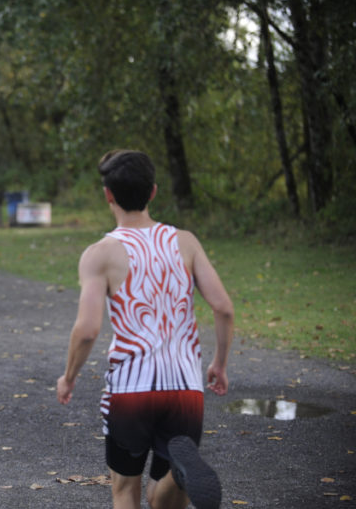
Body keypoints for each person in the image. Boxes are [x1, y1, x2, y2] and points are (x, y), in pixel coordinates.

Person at [56, 150, 234, 509]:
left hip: (131, 390)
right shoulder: (185, 242)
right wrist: (219, 364)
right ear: (153, 192)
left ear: (108, 194)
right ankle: (176, 475)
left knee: (125, 490)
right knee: (164, 499)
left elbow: (88, 329)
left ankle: (177, 474)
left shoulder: (100, 254)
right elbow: (224, 308)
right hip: (185, 389)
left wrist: (69, 376)